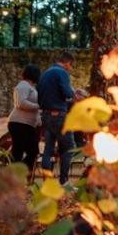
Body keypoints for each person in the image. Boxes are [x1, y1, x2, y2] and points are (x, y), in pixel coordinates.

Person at [38, 52, 77, 186]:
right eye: (71, 66)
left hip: (45, 115)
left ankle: (47, 183)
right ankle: (64, 182)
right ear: (68, 62)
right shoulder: (62, 73)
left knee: (48, 150)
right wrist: (72, 92)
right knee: (69, 148)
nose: (70, 69)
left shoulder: (44, 74)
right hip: (59, 115)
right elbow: (67, 93)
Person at [8, 64, 41, 173]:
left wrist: (38, 120)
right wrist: (38, 106)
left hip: (28, 124)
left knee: (33, 151)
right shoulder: (23, 85)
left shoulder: (32, 87)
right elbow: (21, 103)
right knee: (18, 151)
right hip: (19, 123)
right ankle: (14, 176)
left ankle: (19, 173)